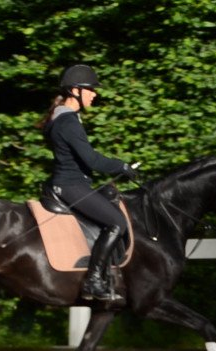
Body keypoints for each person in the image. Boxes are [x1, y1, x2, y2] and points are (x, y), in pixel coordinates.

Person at [40, 64, 137, 301]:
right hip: (72, 185)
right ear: (75, 90)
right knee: (116, 222)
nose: (95, 94)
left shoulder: (62, 117)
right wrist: (122, 166)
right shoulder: (68, 121)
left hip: (72, 182)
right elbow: (92, 160)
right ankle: (93, 281)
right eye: (90, 89)